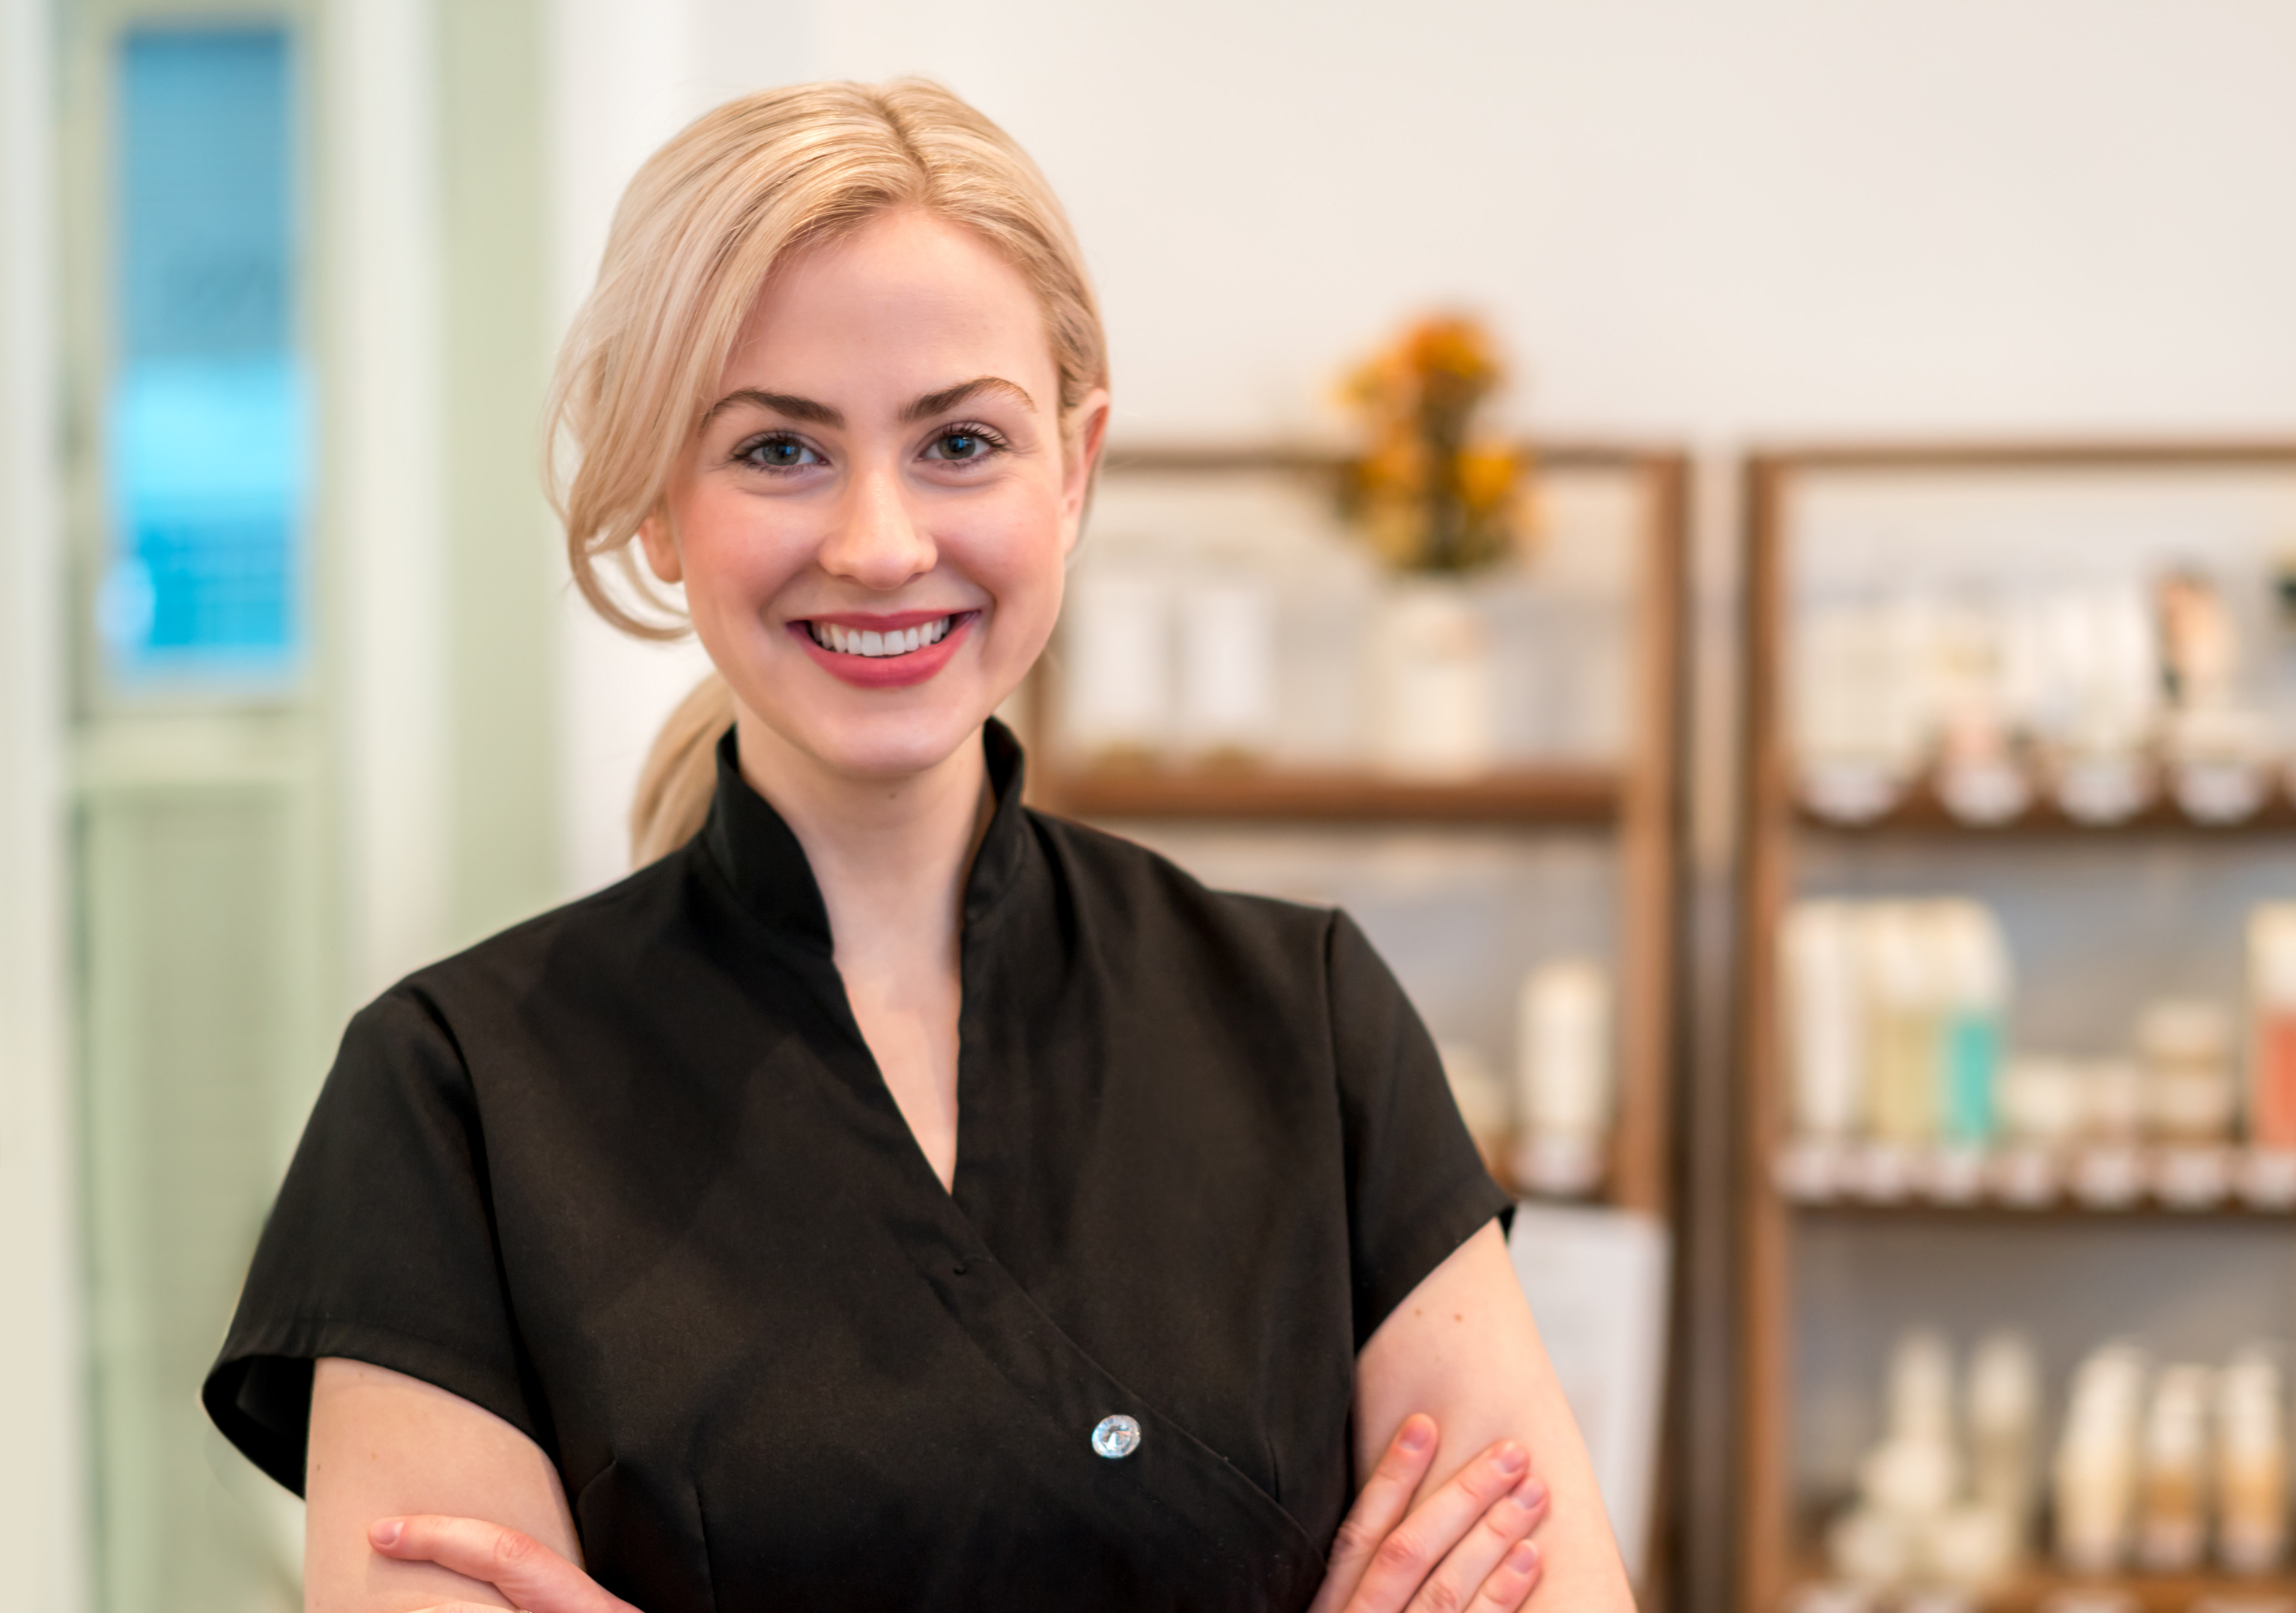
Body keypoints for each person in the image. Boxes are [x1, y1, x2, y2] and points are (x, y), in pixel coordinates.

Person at [202, 80, 1635, 1612]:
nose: (879, 543)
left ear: (1073, 468)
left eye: (959, 441)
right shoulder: (457, 1100)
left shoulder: (1307, 1024)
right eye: (777, 452)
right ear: (659, 504)